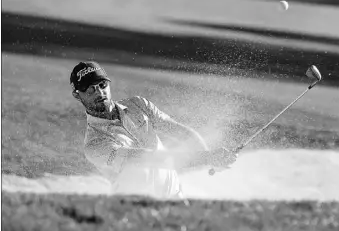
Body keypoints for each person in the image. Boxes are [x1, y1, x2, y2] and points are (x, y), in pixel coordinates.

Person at [70, 61, 237, 198]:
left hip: (174, 197)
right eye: (90, 89)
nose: (99, 92)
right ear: (77, 95)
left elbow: (181, 132)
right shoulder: (94, 144)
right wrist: (207, 158)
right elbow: (150, 159)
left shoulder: (138, 105)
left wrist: (209, 155)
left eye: (102, 84)